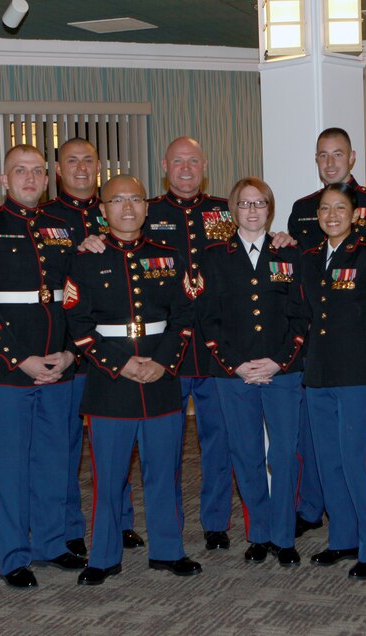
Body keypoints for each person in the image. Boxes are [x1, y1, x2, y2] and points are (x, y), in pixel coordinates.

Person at [64, 174, 201, 585]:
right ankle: (103, 557)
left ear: (147, 205)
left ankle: (167, 550)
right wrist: (121, 364)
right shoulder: (85, 258)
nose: (127, 207)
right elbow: (78, 322)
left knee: (165, 470)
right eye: (117, 200)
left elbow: (184, 317)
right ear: (102, 210)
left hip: (160, 378)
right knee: (109, 476)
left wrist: (162, 362)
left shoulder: (169, 255)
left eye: (135, 199)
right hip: (111, 382)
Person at [0, 144, 86, 590]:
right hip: (9, 367)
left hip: (59, 362)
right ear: (4, 178)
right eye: (21, 171)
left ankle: (52, 544)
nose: (31, 179)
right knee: (12, 466)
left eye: (37, 171)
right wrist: (21, 358)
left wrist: (72, 351)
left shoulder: (64, 226)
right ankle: (13, 555)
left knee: (55, 460)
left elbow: (76, 295)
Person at [286, 127, 366, 538]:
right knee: (324, 451)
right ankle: (340, 529)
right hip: (321, 358)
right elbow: (302, 283)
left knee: (363, 452)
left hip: (358, 355)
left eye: (338, 154)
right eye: (322, 155)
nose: (330, 162)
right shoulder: (301, 209)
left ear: (352, 157)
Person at [197, 177, 309, 566]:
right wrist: (237, 365)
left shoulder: (289, 255)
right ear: (233, 211)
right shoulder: (214, 257)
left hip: (283, 372)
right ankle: (259, 533)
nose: (252, 210)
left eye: (259, 203)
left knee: (284, 454)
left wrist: (279, 362)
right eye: (244, 204)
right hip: (234, 373)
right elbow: (207, 318)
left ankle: (283, 534)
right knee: (244, 454)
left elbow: (301, 315)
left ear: (270, 208)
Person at [43, 137, 142, 554]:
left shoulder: (122, 209)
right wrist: (66, 349)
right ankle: (69, 530)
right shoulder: (45, 217)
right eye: (72, 161)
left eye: (89, 160)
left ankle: (119, 523)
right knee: (66, 450)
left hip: (113, 351)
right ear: (59, 169)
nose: (81, 167)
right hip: (67, 350)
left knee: (115, 448)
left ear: (99, 166)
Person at [301, 183, 366, 580]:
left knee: (358, 459)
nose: (331, 215)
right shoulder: (309, 259)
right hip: (319, 371)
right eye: (325, 208)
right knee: (328, 460)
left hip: (358, 372)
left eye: (340, 208)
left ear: (355, 214)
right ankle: (342, 538)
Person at [140, 136, 237, 550]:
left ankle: (216, 522)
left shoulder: (224, 211)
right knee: (165, 448)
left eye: (193, 161)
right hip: (167, 352)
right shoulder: (147, 212)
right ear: (165, 165)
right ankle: (168, 526)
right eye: (177, 161)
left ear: (205, 164)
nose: (185, 168)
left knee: (220, 442)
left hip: (215, 349)